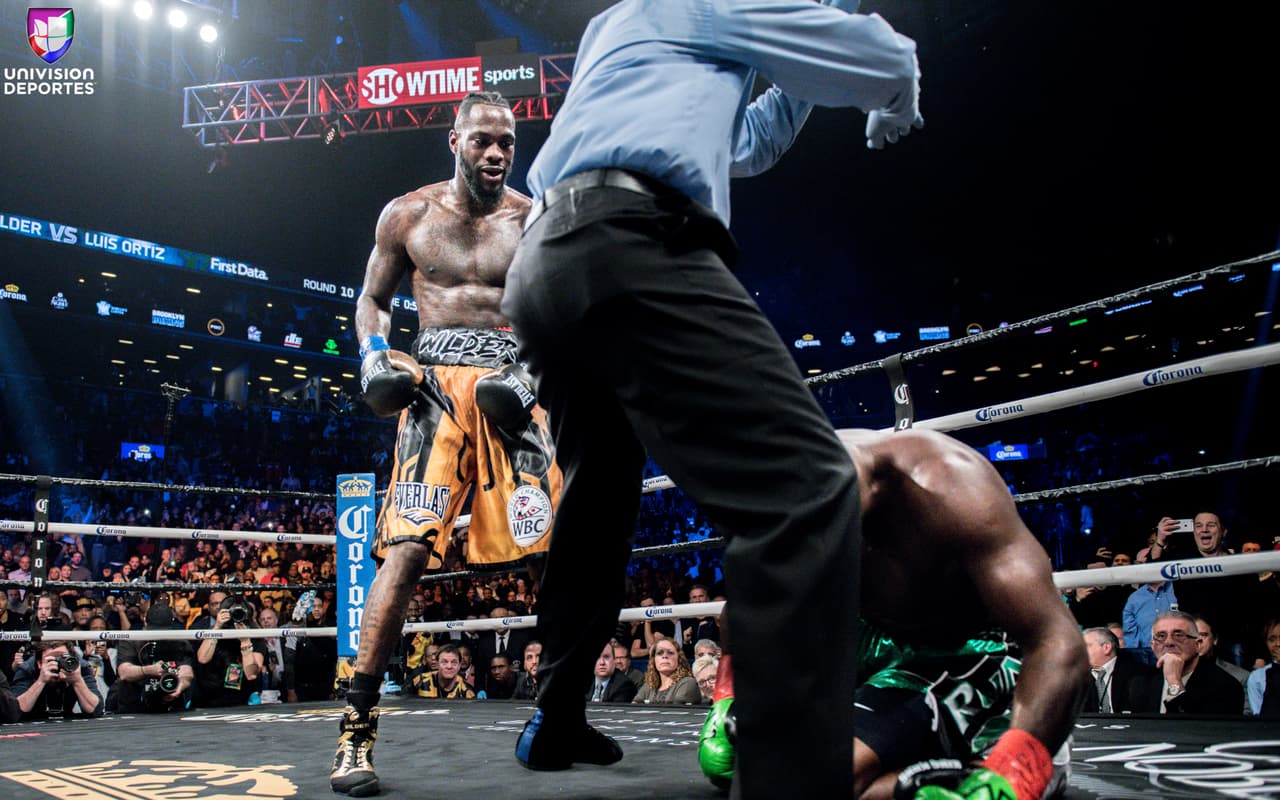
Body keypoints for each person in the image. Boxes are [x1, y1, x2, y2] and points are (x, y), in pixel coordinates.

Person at [502, 3, 921, 795]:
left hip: (544, 265)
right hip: (633, 239)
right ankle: (788, 773)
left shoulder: (624, 25)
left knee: (596, 502)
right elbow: (879, 57)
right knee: (809, 488)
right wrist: (897, 97)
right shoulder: (705, 4)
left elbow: (746, 143)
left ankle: (554, 716)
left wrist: (794, 79)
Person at [333, 90, 563, 797]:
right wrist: (373, 355)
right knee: (403, 556)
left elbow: (559, 311)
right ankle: (355, 731)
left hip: (509, 391)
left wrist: (530, 372)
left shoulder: (532, 219)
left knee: (550, 555)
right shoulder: (408, 215)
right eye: (483, 139)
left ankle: (562, 714)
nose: (496, 153)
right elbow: (372, 299)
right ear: (455, 140)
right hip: (432, 394)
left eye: (507, 142)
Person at [697, 429, 1087, 800]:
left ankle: (1011, 756)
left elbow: (1056, 639)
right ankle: (929, 779)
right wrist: (726, 699)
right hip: (888, 645)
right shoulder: (786, 507)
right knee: (766, 772)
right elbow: (744, 607)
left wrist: (1015, 768)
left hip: (982, 648)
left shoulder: (950, 485)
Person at [1124, 610, 1243, 715]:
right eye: (1161, 636)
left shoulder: (1225, 686)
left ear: (1198, 644)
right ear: (1153, 647)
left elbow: (1194, 729)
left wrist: (1174, 682)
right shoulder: (1140, 683)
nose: (1169, 642)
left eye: (1178, 635)